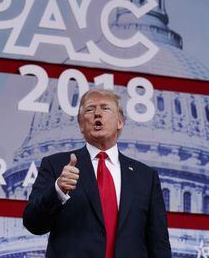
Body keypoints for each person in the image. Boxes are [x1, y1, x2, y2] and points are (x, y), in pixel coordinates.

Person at [23, 88, 171, 258]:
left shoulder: (145, 177)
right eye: (90, 109)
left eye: (105, 108)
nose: (98, 113)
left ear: (120, 122)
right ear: (81, 125)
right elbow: (33, 224)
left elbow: (159, 243)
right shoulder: (56, 165)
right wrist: (58, 190)